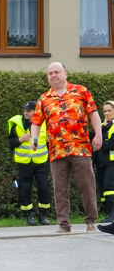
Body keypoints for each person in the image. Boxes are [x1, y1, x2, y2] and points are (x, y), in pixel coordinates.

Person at [30, 62, 102, 233]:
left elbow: (93, 113)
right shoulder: (43, 99)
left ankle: (91, 221)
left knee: (87, 185)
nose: (53, 75)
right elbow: (36, 122)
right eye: (50, 73)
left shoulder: (81, 91)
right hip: (56, 150)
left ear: (65, 73)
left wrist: (98, 134)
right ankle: (63, 224)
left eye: (57, 72)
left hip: (80, 147)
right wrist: (34, 138)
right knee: (60, 188)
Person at [7, 100, 51, 225]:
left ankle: (43, 215)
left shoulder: (44, 123)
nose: (26, 113)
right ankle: (29, 214)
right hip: (24, 162)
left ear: (35, 111)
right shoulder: (16, 123)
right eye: (25, 110)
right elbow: (10, 143)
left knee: (44, 188)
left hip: (41, 161)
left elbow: (50, 142)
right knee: (24, 189)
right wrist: (20, 140)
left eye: (29, 111)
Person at [93, 100, 114, 223]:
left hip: (112, 163)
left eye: (109, 111)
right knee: (103, 190)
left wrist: (101, 141)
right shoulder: (102, 126)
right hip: (101, 163)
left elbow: (110, 144)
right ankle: (108, 214)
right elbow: (93, 140)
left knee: (110, 188)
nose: (106, 113)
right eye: (104, 111)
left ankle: (113, 214)